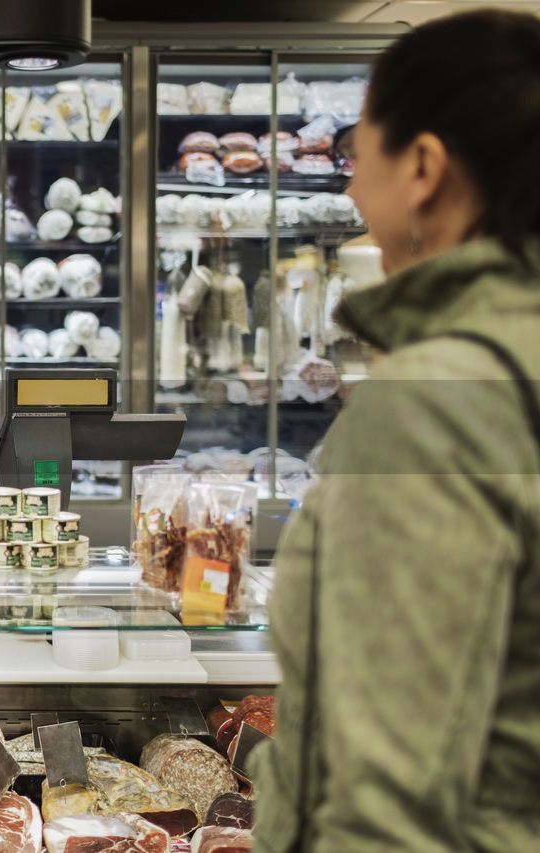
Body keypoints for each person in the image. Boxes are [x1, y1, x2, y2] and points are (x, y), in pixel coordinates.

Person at [253, 9, 540, 852]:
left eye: (357, 157)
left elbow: (386, 804)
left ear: (422, 166)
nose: (348, 189)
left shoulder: (437, 404)